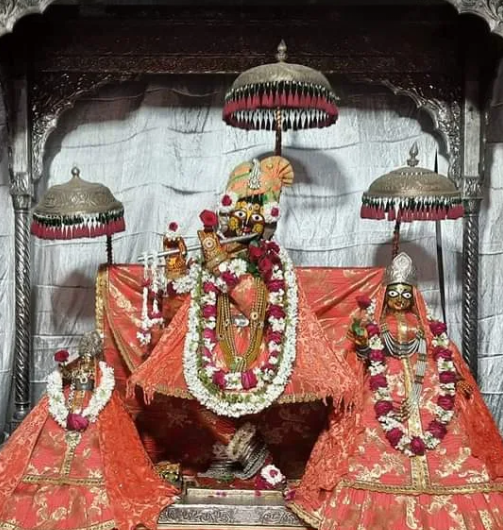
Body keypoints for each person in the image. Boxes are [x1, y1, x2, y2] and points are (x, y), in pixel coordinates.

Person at [129, 156, 355, 486]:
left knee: (259, 405)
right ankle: (244, 456)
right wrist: (177, 266)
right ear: (227, 217)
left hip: (259, 346)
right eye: (239, 216)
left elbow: (258, 306)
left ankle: (258, 462)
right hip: (215, 343)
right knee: (195, 398)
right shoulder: (214, 254)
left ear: (266, 223)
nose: (246, 224)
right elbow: (181, 307)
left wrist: (220, 263)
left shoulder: (270, 260)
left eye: (254, 218)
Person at [291, 252, 503, 530]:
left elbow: (445, 353)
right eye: (394, 293)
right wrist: (362, 344)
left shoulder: (426, 325)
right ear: (386, 294)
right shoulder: (375, 323)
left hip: (429, 384)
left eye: (405, 294)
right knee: (367, 431)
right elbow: (361, 353)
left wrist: (458, 380)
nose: (399, 299)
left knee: (451, 431)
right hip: (382, 384)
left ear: (414, 297)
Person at [0, 331, 178, 530]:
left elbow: (103, 388)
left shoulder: (102, 372)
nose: (87, 354)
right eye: (85, 349)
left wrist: (91, 400)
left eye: (90, 349)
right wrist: (62, 368)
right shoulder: (75, 366)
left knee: (99, 442)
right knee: (48, 444)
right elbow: (63, 377)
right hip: (68, 403)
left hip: (94, 406)